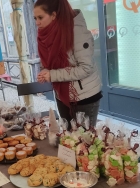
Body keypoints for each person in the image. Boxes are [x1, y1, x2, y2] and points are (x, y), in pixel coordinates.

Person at [35, 0, 102, 129]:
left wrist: (52, 75)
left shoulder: (77, 32)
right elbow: (48, 61)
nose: (37, 22)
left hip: (84, 96)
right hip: (62, 95)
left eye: (40, 17)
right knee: (68, 139)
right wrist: (45, 71)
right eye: (35, 18)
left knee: (84, 142)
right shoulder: (46, 35)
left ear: (54, 15)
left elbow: (85, 68)